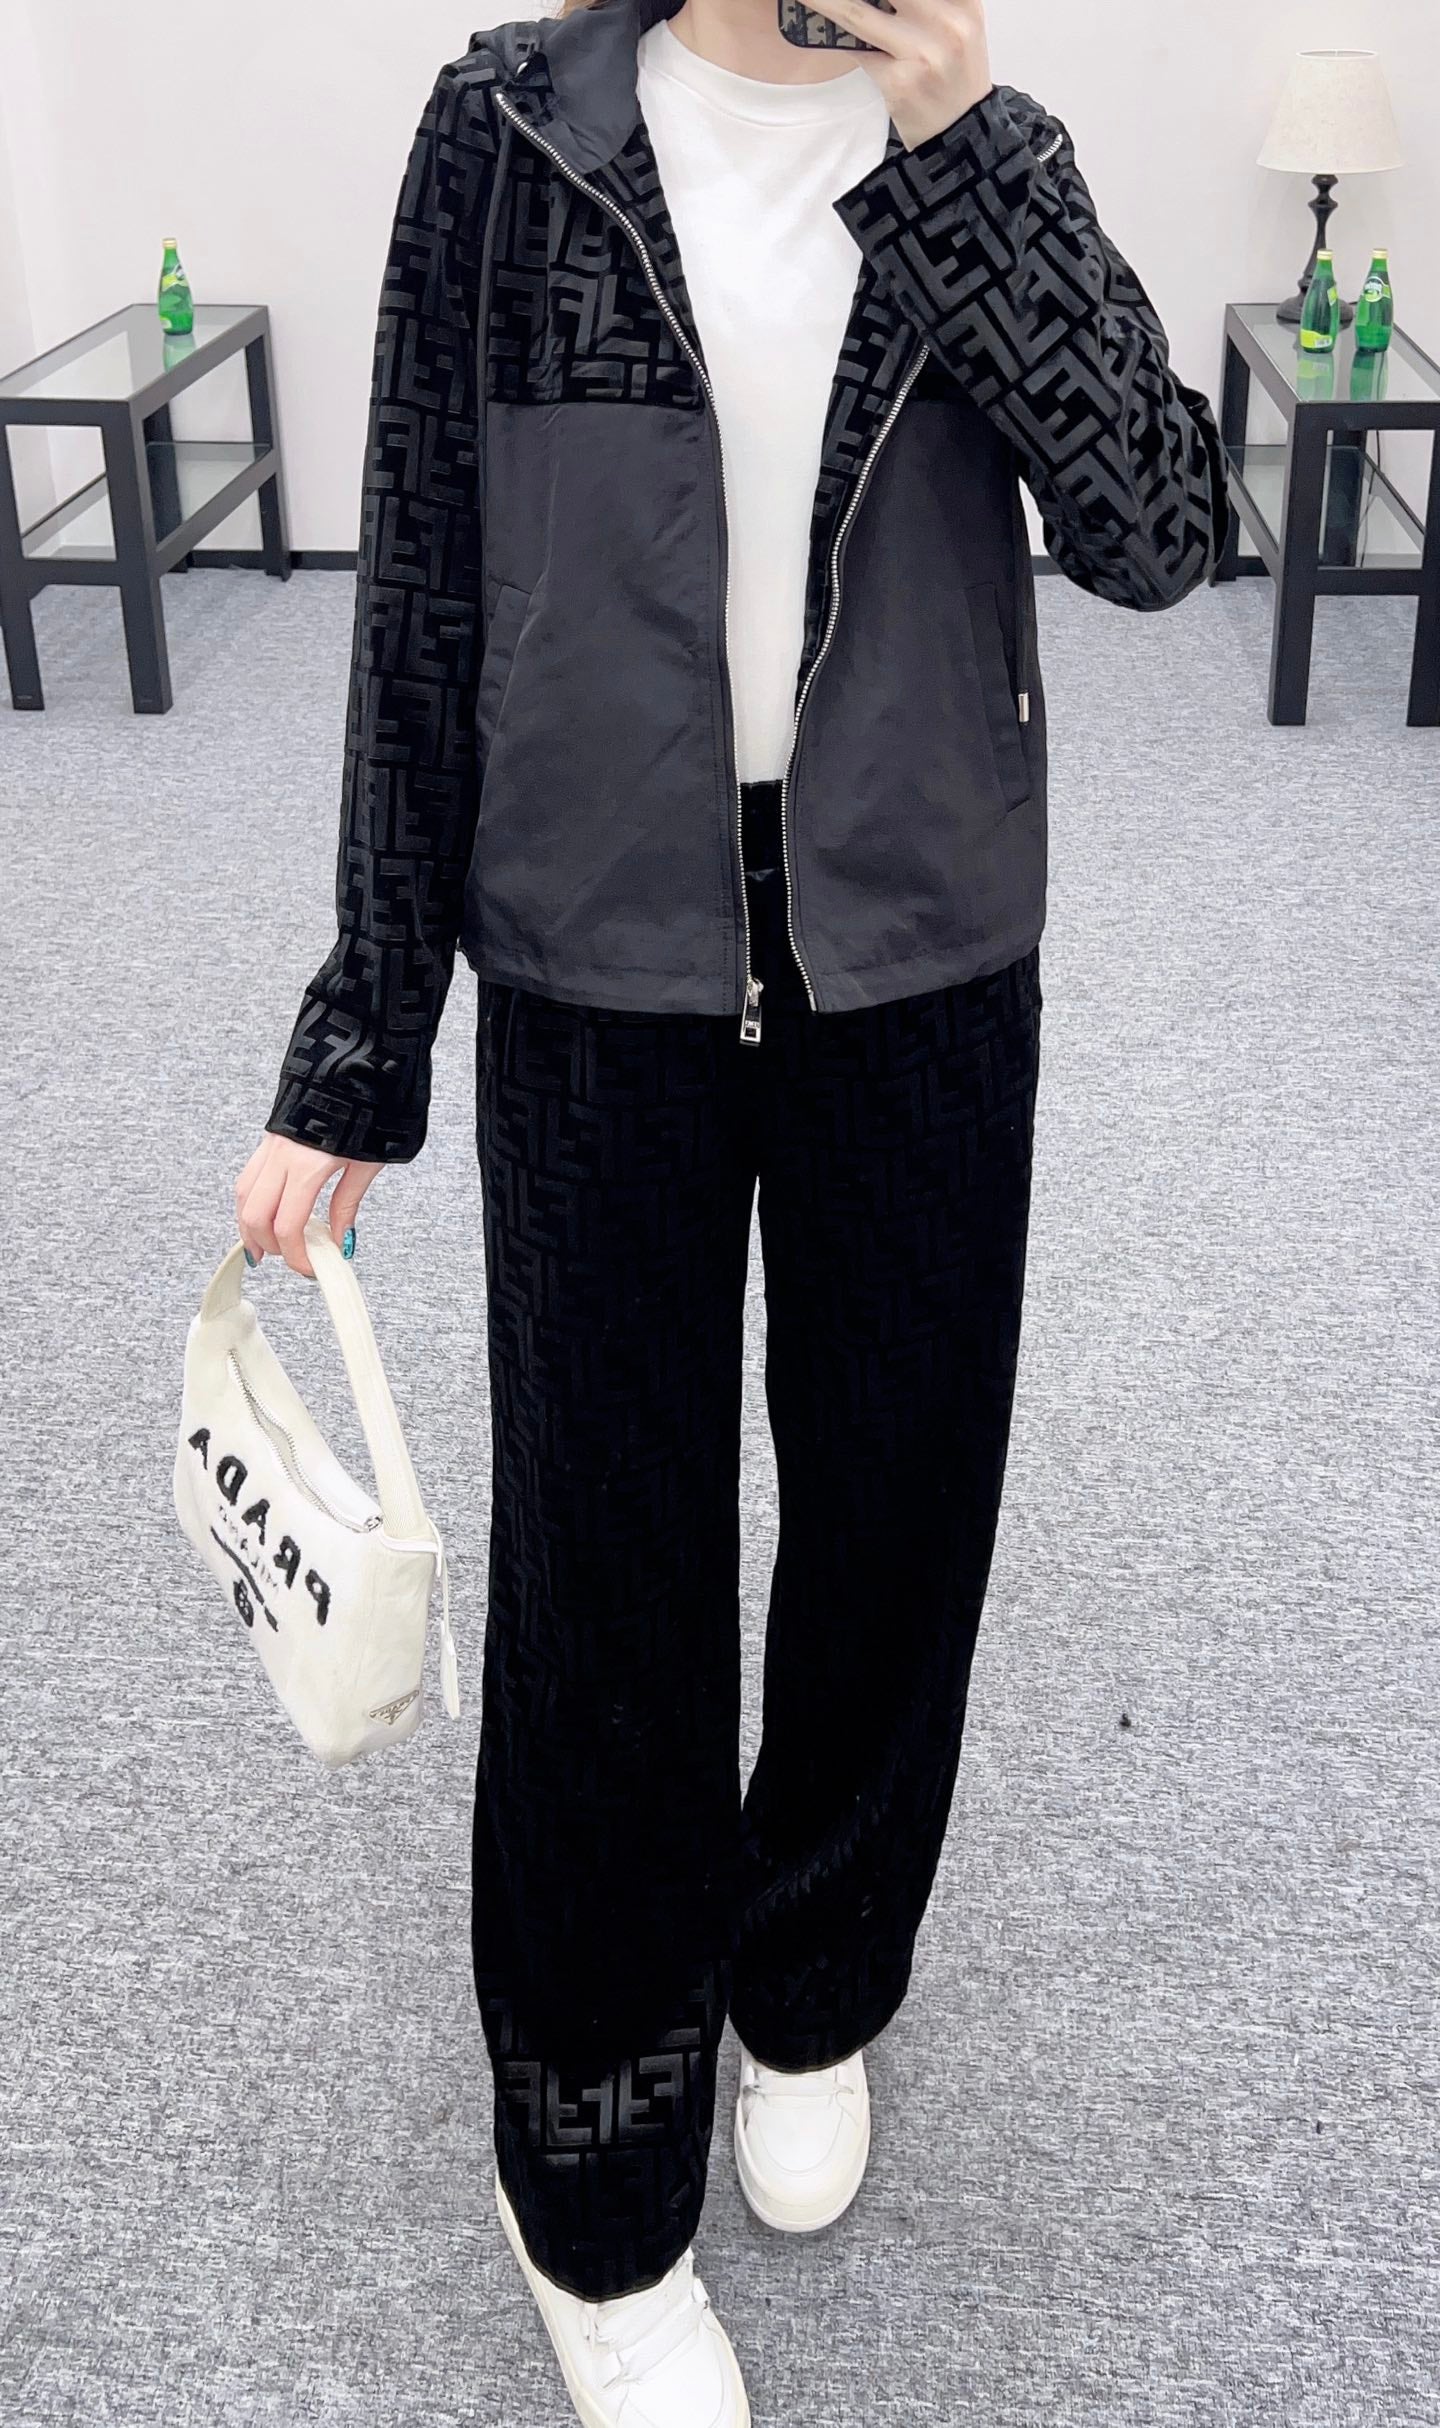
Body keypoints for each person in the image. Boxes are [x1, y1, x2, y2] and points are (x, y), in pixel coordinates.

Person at [235, 0, 1228, 2416]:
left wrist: (961, 147)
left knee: (897, 1514)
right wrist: (368, 1019)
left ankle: (811, 1979)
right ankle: (589, 2173)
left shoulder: (984, 143)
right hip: (604, 961)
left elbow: (1159, 525)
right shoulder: (515, 131)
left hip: (921, 950)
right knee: (614, 1565)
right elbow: (426, 580)